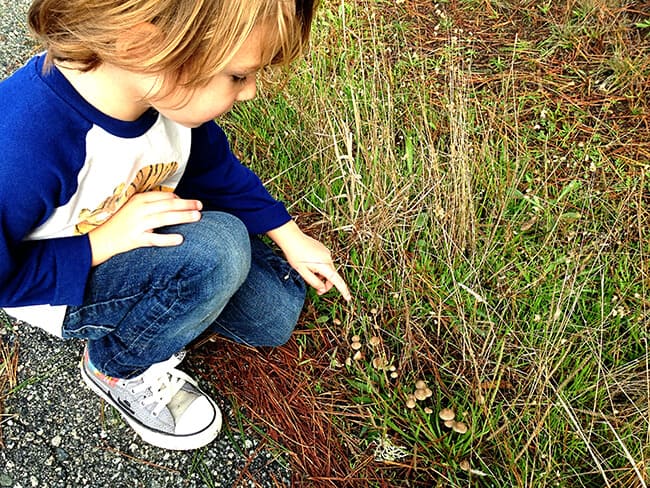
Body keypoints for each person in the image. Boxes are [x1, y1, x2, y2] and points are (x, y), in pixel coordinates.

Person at [0, 0, 351, 451]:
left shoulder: (159, 91)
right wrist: (99, 244)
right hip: (60, 286)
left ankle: (180, 295)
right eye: (238, 76)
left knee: (275, 316)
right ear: (146, 43)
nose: (250, 92)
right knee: (219, 251)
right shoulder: (25, 141)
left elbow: (213, 169)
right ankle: (114, 365)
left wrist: (288, 233)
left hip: (142, 239)